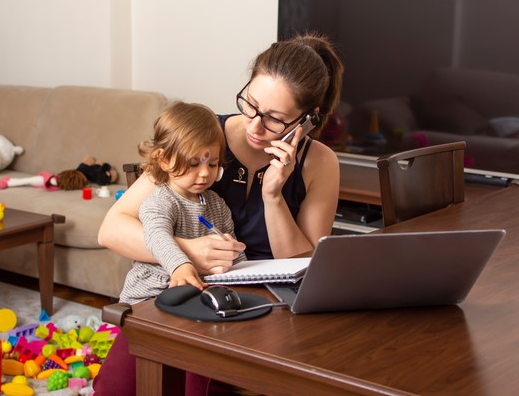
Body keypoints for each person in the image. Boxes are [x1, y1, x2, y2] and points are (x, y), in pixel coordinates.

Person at [94, 32, 344, 395]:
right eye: (251, 105)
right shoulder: (202, 135)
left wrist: (273, 194)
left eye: (275, 119)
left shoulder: (320, 162)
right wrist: (189, 253)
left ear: (306, 120)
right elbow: (112, 229)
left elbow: (304, 266)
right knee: (113, 389)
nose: (255, 126)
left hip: (264, 307)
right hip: (182, 287)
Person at [120, 101, 246, 306]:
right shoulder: (160, 200)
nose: (205, 173)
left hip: (196, 292)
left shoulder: (218, 205)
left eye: (213, 164)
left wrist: (244, 271)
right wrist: (180, 265)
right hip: (150, 295)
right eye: (193, 164)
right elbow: (156, 237)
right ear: (163, 160)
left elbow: (231, 251)